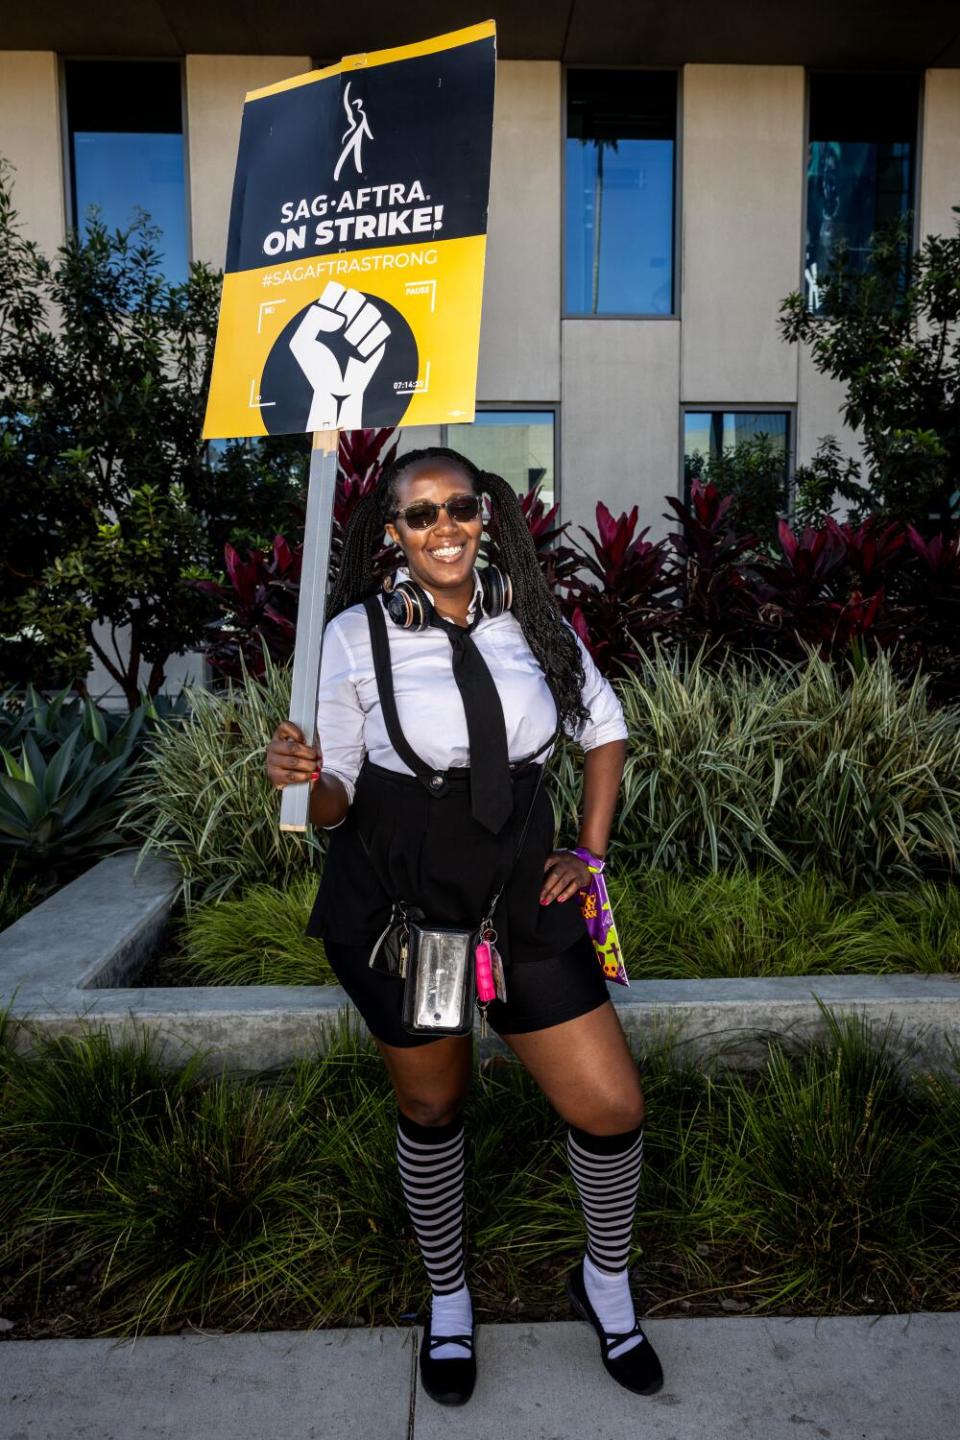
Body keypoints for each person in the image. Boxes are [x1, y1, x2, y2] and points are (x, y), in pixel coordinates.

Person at [266, 446, 663, 1406]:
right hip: (402, 915)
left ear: (487, 515)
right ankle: (449, 1298)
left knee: (611, 1106)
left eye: (461, 507)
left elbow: (602, 729)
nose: (444, 527)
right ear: (391, 535)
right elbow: (338, 800)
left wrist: (591, 851)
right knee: (434, 1108)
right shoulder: (353, 639)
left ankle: (603, 1285)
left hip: (524, 901)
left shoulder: (534, 618)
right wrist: (303, 780)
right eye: (419, 514)